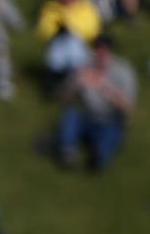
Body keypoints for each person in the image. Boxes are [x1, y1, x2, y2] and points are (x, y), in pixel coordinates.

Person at [55, 33, 136, 170]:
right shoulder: (84, 67)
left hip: (109, 121)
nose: (99, 56)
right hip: (88, 117)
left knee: (102, 151)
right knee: (71, 114)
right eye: (97, 50)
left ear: (111, 52)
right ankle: (67, 151)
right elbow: (64, 101)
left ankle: (98, 156)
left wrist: (104, 86)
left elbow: (127, 108)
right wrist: (75, 85)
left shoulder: (123, 71)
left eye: (104, 52)